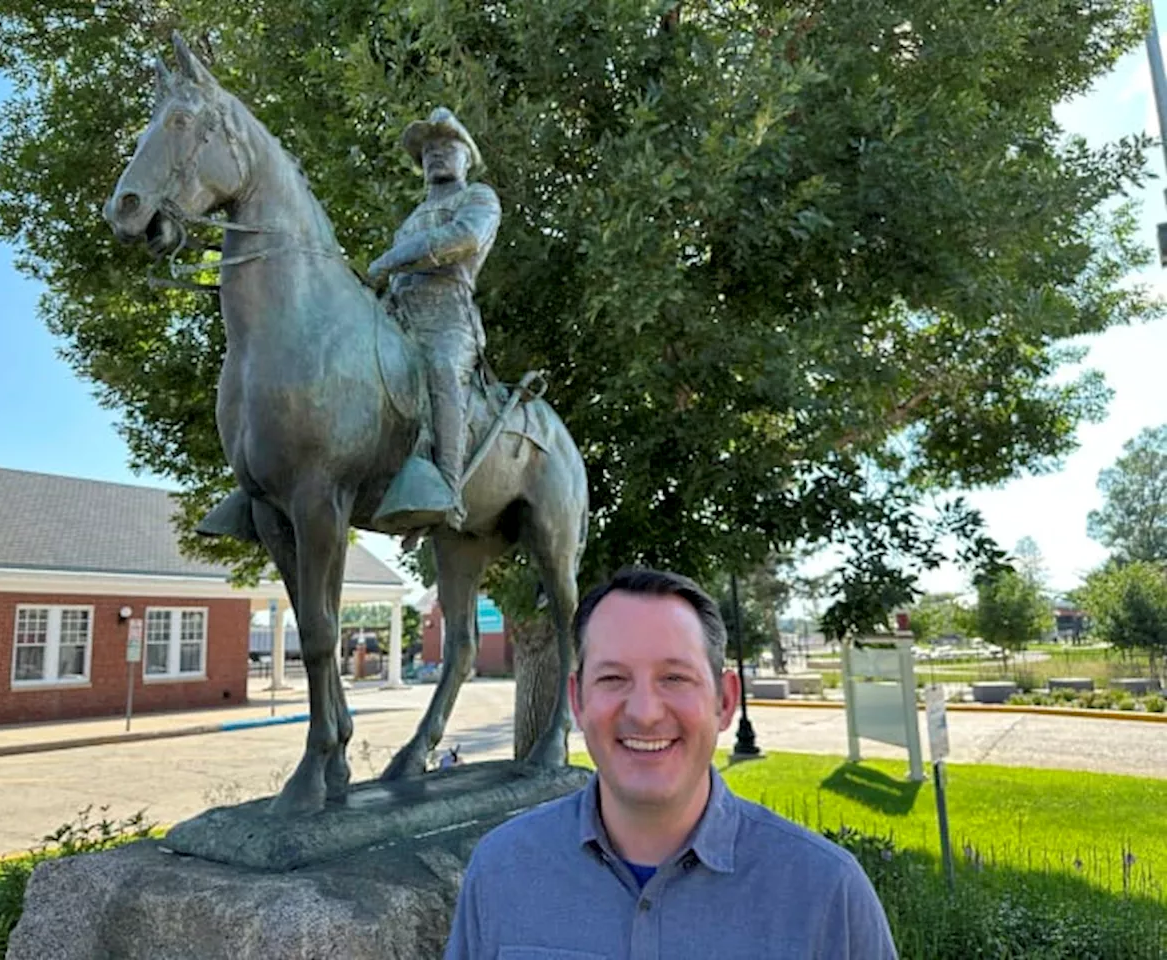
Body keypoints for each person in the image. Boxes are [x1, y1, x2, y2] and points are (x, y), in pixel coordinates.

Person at [445, 568, 897, 959]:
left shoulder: (826, 894)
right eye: (613, 678)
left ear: (725, 702)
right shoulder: (502, 870)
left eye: (675, 678)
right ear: (577, 702)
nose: (644, 711)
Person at [368, 107, 501, 531]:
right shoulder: (410, 220)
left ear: (467, 157)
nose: (435, 156)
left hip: (447, 317)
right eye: (427, 152)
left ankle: (447, 489)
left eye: (447, 147)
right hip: (399, 317)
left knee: (442, 369)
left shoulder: (478, 198)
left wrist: (390, 259)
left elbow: (464, 238)